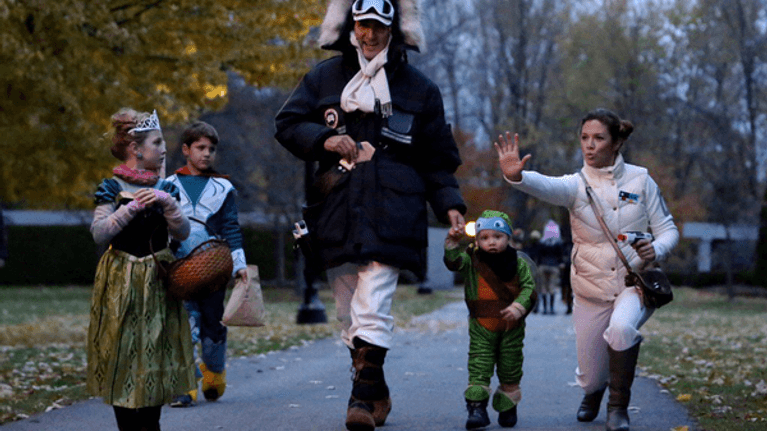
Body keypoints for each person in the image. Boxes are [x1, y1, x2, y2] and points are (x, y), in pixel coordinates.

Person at [274, 1, 466, 429]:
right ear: (349, 26)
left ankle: (359, 401)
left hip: (394, 210)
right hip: (336, 207)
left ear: (394, 28)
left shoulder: (420, 88)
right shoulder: (323, 77)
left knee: (373, 304)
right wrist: (324, 139)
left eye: (379, 26)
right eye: (362, 25)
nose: (370, 35)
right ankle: (375, 389)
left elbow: (438, 159)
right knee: (348, 314)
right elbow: (286, 124)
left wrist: (450, 204)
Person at [494, 108, 679, 431]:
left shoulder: (641, 179)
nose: (589, 146)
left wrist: (657, 247)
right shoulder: (575, 186)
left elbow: (668, 230)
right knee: (591, 377)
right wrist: (517, 176)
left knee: (622, 329)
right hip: (590, 289)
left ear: (616, 142)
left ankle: (617, 408)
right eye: (584, 138)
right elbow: (546, 185)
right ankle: (594, 393)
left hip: (632, 284)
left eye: (598, 138)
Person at [87, 108, 195, 431]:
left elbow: (183, 233)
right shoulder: (111, 187)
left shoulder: (168, 189)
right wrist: (132, 206)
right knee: (121, 354)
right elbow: (99, 232)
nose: (164, 148)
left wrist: (167, 203)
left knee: (154, 355)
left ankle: (151, 424)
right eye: (157, 142)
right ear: (136, 149)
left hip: (158, 282)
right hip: (120, 280)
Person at [166, 121, 248, 407]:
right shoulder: (168, 185)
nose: (206, 154)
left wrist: (239, 265)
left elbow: (231, 227)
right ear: (186, 150)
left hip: (214, 269)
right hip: (177, 268)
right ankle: (183, 386)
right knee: (183, 325)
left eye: (211, 149)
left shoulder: (223, 187)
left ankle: (214, 372)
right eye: (200, 148)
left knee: (213, 324)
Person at [444, 210, 536, 429]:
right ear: (477, 240)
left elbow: (529, 288)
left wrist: (518, 306)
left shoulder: (519, 262)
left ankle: (508, 405)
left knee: (510, 366)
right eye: (484, 238)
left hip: (511, 326)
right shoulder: (472, 259)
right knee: (479, 364)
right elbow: (454, 263)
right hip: (481, 326)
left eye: (497, 236)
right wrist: (451, 246)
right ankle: (477, 408)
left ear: (508, 237)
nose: (491, 242)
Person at [536, 220, 567, 315]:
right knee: (552, 288)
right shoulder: (558, 243)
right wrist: (561, 263)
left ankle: (545, 309)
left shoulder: (542, 242)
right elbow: (560, 256)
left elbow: (538, 255)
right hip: (554, 266)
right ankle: (551, 308)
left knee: (544, 288)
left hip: (543, 266)